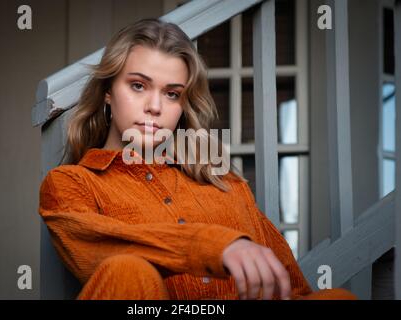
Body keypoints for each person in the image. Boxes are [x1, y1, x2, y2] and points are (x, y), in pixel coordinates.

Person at [38, 18, 357, 300]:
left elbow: (293, 290)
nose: (154, 106)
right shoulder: (70, 184)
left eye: (172, 93)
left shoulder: (222, 180)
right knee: (128, 271)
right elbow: (99, 247)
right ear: (108, 91)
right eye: (138, 85)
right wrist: (215, 246)